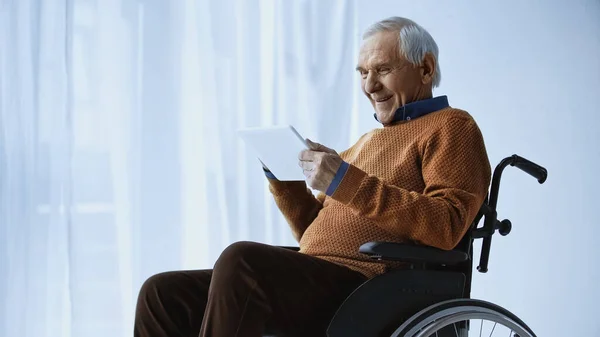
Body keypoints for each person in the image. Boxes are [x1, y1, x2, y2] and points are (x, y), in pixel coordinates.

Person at [133, 16, 491, 337]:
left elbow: (447, 225)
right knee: (163, 294)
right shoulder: (367, 142)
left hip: (374, 285)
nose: (369, 86)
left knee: (242, 262)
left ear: (425, 69)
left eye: (381, 69)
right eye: (362, 73)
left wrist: (345, 181)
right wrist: (285, 181)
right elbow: (314, 233)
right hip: (320, 274)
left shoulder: (452, 126)